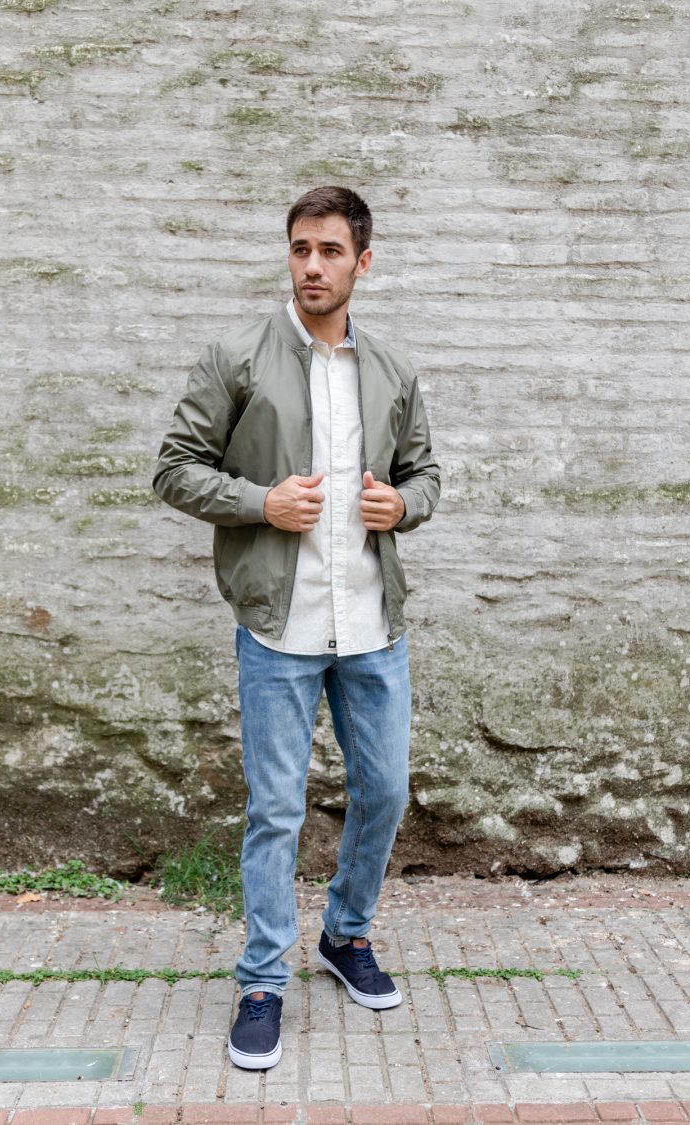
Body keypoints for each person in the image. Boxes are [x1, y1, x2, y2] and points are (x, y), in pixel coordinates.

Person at [153, 185, 440, 1070]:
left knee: (385, 792)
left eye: (330, 251)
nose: (312, 266)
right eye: (300, 249)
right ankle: (262, 980)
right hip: (278, 626)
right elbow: (174, 468)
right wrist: (260, 503)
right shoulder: (237, 357)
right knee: (276, 809)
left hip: (373, 625)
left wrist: (405, 505)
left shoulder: (391, 369)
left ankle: (345, 935)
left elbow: (426, 473)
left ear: (363, 261)